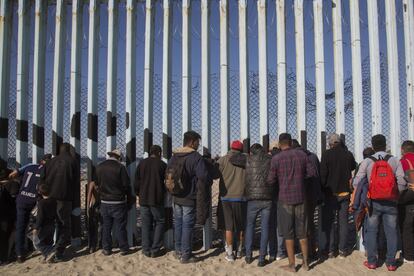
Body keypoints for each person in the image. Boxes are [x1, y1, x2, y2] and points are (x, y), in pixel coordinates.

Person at [353, 134, 406, 271]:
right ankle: (391, 263)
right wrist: (395, 194)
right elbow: (401, 181)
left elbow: (356, 182)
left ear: (373, 146)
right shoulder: (394, 160)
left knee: (371, 231)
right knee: (391, 232)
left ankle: (372, 262)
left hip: (373, 202)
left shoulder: (368, 161)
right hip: (391, 202)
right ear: (385, 145)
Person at [267, 133, 317, 272]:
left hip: (285, 199)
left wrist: (281, 180)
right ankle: (306, 264)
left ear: (280, 143)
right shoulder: (302, 156)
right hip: (301, 197)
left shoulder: (276, 159)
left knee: (288, 233)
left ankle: (292, 265)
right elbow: (312, 173)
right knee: (303, 233)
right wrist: (300, 179)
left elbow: (270, 180)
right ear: (291, 142)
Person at [168, 131, 209, 263]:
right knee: (187, 226)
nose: (198, 144)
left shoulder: (174, 156)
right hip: (189, 197)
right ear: (192, 142)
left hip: (175, 196)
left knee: (178, 224)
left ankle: (178, 250)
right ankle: (186, 255)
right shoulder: (195, 157)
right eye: (197, 142)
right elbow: (203, 176)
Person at [9, 154, 52, 263]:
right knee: (38, 226)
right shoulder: (47, 171)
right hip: (34, 202)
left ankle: (20, 254)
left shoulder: (29, 165)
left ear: (41, 160)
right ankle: (43, 248)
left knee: (20, 226)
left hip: (22, 198)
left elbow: (13, 174)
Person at [319, 134, 356, 259]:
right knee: (343, 223)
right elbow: (353, 166)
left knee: (329, 222)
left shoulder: (326, 154)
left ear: (330, 143)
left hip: (330, 193)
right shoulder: (348, 154)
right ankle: (342, 250)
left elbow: (323, 174)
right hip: (345, 192)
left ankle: (330, 250)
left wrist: (323, 189)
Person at [40, 143, 78, 262]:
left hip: (49, 197)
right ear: (69, 150)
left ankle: (47, 249)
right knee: (64, 225)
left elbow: (42, 179)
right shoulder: (72, 162)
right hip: (64, 198)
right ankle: (58, 251)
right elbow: (75, 182)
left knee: (49, 224)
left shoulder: (50, 162)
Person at [93, 149, 133, 256]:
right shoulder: (121, 168)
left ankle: (106, 248)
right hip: (118, 202)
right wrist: (129, 201)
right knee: (120, 227)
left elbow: (96, 184)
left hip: (104, 201)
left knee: (106, 226)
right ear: (119, 157)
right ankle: (123, 248)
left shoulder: (99, 167)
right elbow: (126, 186)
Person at [292, 139, 322, 261]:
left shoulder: (296, 158)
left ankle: (307, 252)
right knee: (310, 223)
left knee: (302, 224)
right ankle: (312, 249)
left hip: (302, 195)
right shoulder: (313, 156)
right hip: (314, 194)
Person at [135, 145, 167, 258]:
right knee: (160, 222)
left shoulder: (141, 164)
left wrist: (138, 193)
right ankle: (155, 249)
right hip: (156, 198)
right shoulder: (162, 165)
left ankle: (146, 248)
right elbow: (167, 182)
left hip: (144, 199)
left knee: (146, 224)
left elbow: (136, 182)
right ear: (159, 153)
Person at [217, 140, 247, 262]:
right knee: (240, 226)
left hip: (226, 197)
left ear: (231, 148)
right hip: (241, 196)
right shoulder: (246, 160)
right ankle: (239, 251)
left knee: (228, 226)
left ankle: (229, 253)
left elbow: (215, 174)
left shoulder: (223, 160)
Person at [244, 144, 273, 267]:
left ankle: (248, 255)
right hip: (267, 198)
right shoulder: (269, 159)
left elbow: (232, 159)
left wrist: (246, 155)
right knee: (265, 227)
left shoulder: (248, 159)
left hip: (252, 198)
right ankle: (262, 258)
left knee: (250, 226)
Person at [268, 140, 286, 262]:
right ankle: (280, 251)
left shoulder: (268, 159)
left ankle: (271, 251)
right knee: (280, 225)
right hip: (282, 195)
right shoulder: (283, 159)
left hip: (269, 195)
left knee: (270, 224)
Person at [399, 140, 414, 264]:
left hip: (409, 197)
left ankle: (408, 256)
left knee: (407, 227)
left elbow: (400, 182)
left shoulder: (403, 162)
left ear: (403, 150)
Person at [33, 184, 57, 262]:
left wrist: (36, 227)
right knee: (48, 241)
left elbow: (40, 217)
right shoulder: (54, 200)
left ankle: (50, 251)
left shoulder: (41, 203)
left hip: (43, 226)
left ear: (39, 192)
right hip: (52, 224)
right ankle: (47, 256)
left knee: (38, 243)